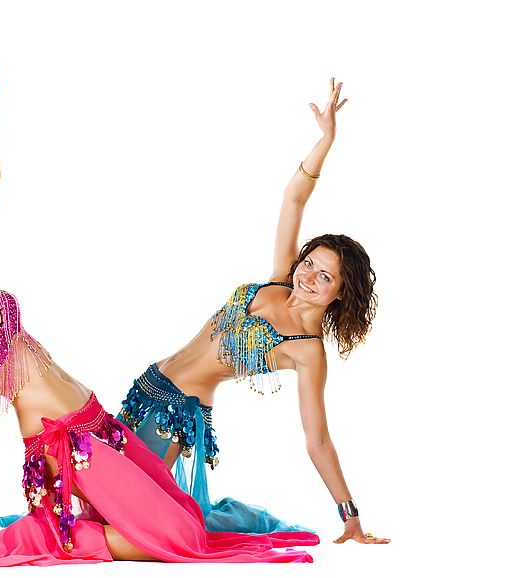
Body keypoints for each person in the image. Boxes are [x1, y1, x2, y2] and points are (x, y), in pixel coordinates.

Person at [0, 20, 320, 566]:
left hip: (100, 426)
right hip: (62, 454)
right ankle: (51, 534)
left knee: (191, 522)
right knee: (179, 540)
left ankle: (72, 529)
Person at [117, 79, 389, 544]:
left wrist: (350, 516)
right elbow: (293, 200)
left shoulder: (306, 352)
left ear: (340, 294)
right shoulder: (280, 282)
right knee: (87, 492)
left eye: (325, 277)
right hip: (147, 384)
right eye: (309, 263)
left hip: (179, 414)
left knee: (126, 516)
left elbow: (317, 440)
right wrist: (325, 141)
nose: (307, 277)